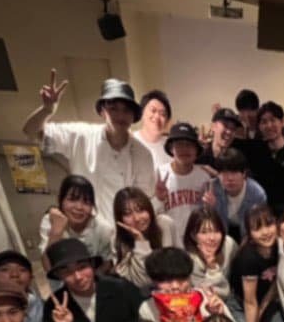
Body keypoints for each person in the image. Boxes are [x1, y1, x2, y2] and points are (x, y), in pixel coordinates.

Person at [23, 71, 155, 223]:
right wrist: (47, 110)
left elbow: (142, 201)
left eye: (126, 110)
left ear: (133, 116)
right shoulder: (81, 136)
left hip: (125, 229)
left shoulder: (142, 154)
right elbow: (30, 132)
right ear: (103, 111)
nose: (120, 115)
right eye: (114, 109)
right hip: (87, 227)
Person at [139, 247, 231, 322]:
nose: (175, 286)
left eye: (182, 279)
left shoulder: (206, 298)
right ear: (154, 282)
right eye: (167, 281)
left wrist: (219, 315)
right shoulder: (147, 308)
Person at [227, 205, 284, 322]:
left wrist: (263, 308)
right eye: (257, 228)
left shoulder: (279, 246)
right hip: (241, 304)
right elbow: (250, 301)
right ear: (250, 233)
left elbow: (275, 283)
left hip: (266, 299)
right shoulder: (248, 258)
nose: (265, 232)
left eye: (269, 224)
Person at [39, 175, 114, 275]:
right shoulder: (51, 220)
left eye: (86, 202)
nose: (79, 207)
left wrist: (90, 280)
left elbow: (107, 262)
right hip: (61, 279)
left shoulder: (103, 228)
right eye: (72, 199)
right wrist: (56, 232)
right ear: (60, 199)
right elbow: (48, 267)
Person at [154, 122, 212, 248]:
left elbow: (207, 214)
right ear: (171, 149)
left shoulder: (203, 177)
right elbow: (152, 213)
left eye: (189, 145)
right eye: (179, 145)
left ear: (196, 150)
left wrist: (211, 207)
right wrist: (158, 199)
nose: (184, 149)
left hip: (196, 241)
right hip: (167, 241)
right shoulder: (159, 174)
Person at [113, 186, 174, 294]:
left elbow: (177, 267)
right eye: (128, 213)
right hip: (137, 298)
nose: (137, 218)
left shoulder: (164, 225)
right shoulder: (117, 240)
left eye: (140, 210)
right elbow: (142, 283)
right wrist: (140, 242)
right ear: (120, 219)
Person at [201, 148, 267, 241]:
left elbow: (256, 228)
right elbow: (207, 226)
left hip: (247, 235)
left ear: (244, 173)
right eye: (224, 172)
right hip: (221, 234)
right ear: (218, 174)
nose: (230, 178)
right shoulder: (212, 189)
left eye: (234, 172)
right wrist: (210, 209)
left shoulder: (257, 194)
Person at [184, 208, 237, 299]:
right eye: (204, 232)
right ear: (193, 236)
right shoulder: (191, 260)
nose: (212, 238)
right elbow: (212, 294)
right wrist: (212, 267)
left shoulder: (229, 244)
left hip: (232, 297)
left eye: (216, 231)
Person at [133, 89, 172, 170]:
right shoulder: (130, 141)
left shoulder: (171, 146)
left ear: (167, 120)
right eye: (153, 110)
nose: (157, 117)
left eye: (163, 114)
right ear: (141, 113)